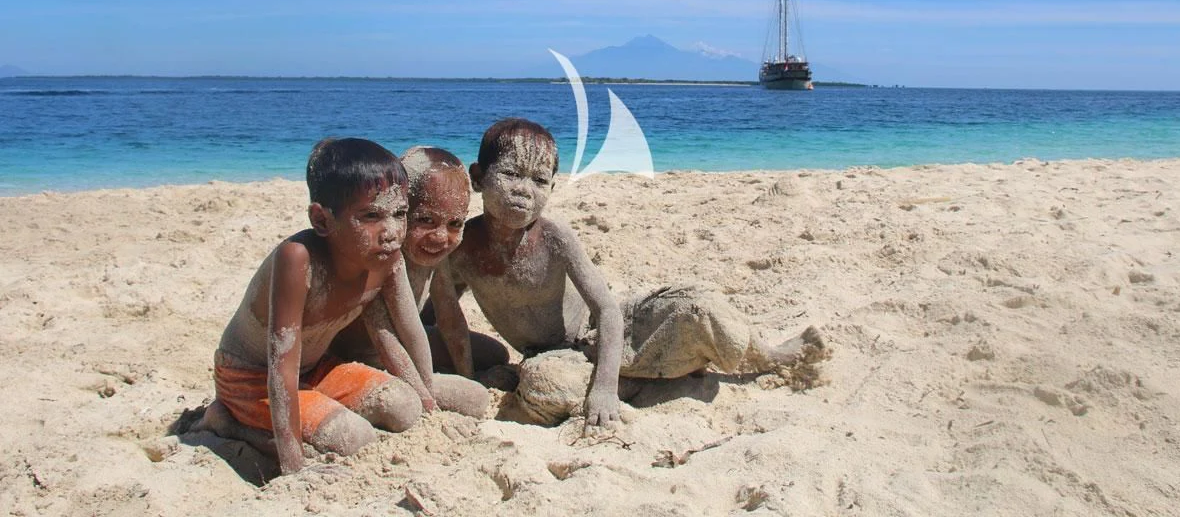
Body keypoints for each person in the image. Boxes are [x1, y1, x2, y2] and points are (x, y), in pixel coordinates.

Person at [433, 118, 828, 431]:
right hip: (551, 357)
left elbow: (606, 311)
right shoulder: (462, 248)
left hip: (609, 329)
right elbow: (448, 318)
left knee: (699, 305)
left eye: (539, 181)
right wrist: (469, 376)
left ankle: (765, 355)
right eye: (511, 174)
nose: (524, 191)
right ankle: (639, 381)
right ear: (479, 177)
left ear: (553, 187)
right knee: (541, 384)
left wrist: (603, 390)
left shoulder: (555, 237)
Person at [204, 138, 437, 475]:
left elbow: (409, 329)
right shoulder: (298, 259)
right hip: (250, 376)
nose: (390, 232)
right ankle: (228, 424)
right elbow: (280, 365)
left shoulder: (386, 257)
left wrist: (428, 399)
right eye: (371, 216)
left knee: (404, 407)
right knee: (352, 437)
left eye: (399, 213)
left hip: (317, 369)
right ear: (322, 220)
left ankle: (314, 413)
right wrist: (293, 464)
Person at [330, 146, 507, 402]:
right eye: (425, 220)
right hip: (363, 358)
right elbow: (383, 337)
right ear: (399, 213)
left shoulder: (435, 257)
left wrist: (465, 372)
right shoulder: (380, 258)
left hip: (408, 343)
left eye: (455, 224)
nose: (439, 237)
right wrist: (424, 391)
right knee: (475, 399)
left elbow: (449, 316)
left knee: (495, 354)